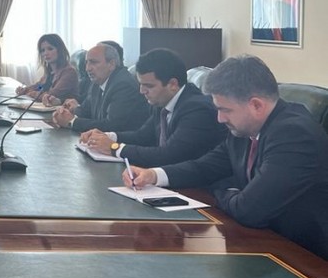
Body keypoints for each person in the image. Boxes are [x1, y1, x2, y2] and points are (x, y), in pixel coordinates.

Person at [124, 55, 328, 260]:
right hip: (264, 241)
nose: (220, 119)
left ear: (256, 105)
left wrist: (221, 192)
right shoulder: (246, 128)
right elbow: (206, 167)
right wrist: (154, 175)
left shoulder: (294, 135)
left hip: (306, 256)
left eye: (224, 110)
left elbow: (249, 211)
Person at [79, 48, 226, 166]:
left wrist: (114, 147)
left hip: (197, 187)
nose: (142, 91)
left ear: (173, 84)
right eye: (141, 84)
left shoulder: (197, 109)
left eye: (148, 86)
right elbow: (143, 136)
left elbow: (168, 155)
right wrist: (108, 136)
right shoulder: (161, 101)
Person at [52, 43, 148, 133]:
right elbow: (86, 111)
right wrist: (65, 112)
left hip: (122, 142)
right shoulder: (98, 81)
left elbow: (111, 125)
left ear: (111, 64)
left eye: (93, 62)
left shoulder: (123, 84)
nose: (87, 68)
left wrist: (72, 122)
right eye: (87, 63)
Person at [15, 34, 78, 103]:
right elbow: (40, 86)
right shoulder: (50, 71)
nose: (46, 53)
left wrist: (32, 93)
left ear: (60, 50)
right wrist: (25, 89)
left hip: (61, 109)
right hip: (45, 107)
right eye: (43, 50)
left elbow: (51, 94)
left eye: (50, 49)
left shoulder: (69, 72)